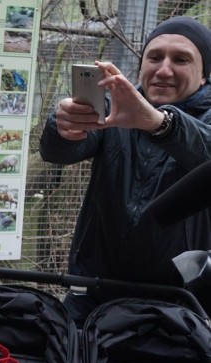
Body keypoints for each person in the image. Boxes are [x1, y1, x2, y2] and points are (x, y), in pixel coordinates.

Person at [39, 16, 211, 323]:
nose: (164, 69)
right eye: (154, 57)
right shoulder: (113, 109)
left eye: (181, 59)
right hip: (95, 292)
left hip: (181, 303)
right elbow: (57, 152)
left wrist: (159, 123)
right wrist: (62, 126)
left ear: (204, 76)